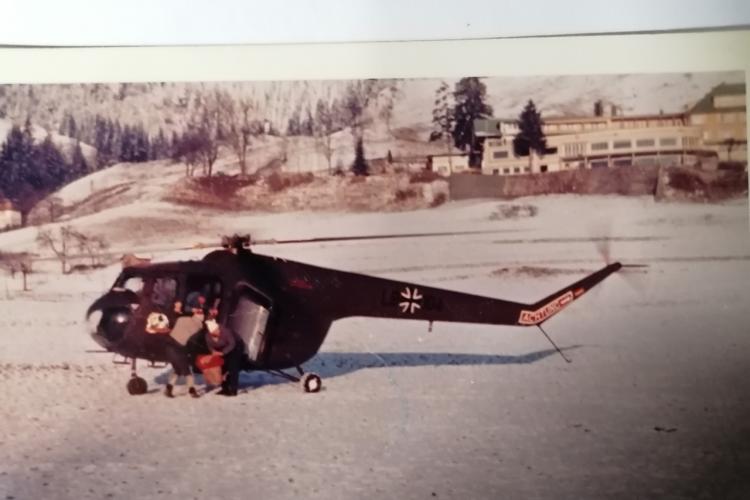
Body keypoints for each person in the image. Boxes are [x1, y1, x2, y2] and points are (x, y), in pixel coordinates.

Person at [204, 316, 242, 396]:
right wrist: (213, 352)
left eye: (217, 329)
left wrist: (223, 353)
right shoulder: (208, 336)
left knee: (233, 367)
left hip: (235, 347)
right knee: (222, 368)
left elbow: (232, 343)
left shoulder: (225, 331)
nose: (218, 331)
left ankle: (233, 389)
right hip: (221, 348)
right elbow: (210, 346)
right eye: (215, 331)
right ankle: (225, 388)